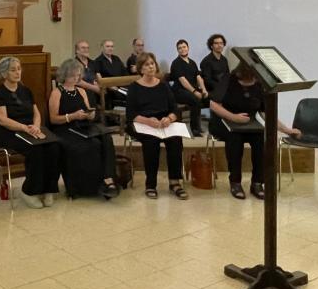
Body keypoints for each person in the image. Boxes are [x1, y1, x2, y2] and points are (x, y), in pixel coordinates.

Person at [209, 62, 301, 199]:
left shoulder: (259, 84)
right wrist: (234, 117)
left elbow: (265, 112)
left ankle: (257, 183)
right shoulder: (229, 79)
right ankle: (235, 182)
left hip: (249, 123)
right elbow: (213, 104)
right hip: (226, 121)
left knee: (261, 142)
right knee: (235, 142)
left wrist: (286, 129)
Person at [0, 56, 64, 207]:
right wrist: (24, 128)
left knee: (54, 146)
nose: (17, 72)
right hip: (7, 132)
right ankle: (29, 191)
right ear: (4, 73)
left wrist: (36, 126)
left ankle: (48, 189)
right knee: (35, 149)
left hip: (30, 129)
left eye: (19, 69)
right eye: (13, 70)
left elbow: (36, 113)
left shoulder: (26, 91)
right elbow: (3, 120)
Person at [48, 58, 120, 200]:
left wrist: (90, 114)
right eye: (73, 75)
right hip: (65, 128)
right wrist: (72, 116)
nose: (76, 78)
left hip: (83, 126)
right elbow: (53, 119)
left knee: (106, 138)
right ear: (65, 75)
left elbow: (88, 110)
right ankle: (84, 187)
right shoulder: (57, 93)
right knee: (89, 146)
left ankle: (108, 180)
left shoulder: (81, 91)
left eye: (77, 75)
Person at [125, 53, 189, 199]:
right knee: (151, 141)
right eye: (147, 64)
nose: (150, 67)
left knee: (175, 140)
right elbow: (131, 114)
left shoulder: (163, 85)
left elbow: (175, 108)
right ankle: (151, 184)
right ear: (141, 69)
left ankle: (175, 182)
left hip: (163, 123)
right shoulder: (134, 87)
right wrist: (148, 121)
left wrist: (170, 118)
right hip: (142, 123)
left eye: (152, 63)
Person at [168, 39, 208, 137]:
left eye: (184, 47)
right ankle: (195, 129)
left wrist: (204, 90)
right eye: (180, 48)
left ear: (188, 48)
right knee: (195, 100)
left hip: (190, 90)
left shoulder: (192, 62)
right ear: (177, 50)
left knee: (209, 98)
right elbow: (183, 81)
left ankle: (212, 126)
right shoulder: (176, 63)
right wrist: (195, 92)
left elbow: (198, 77)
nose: (182, 49)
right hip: (179, 91)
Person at [200, 34, 230, 101]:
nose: (219, 45)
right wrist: (221, 87)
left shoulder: (224, 59)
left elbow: (227, 75)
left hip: (223, 89)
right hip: (212, 91)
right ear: (211, 46)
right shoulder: (206, 61)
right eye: (216, 43)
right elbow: (207, 80)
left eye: (221, 43)